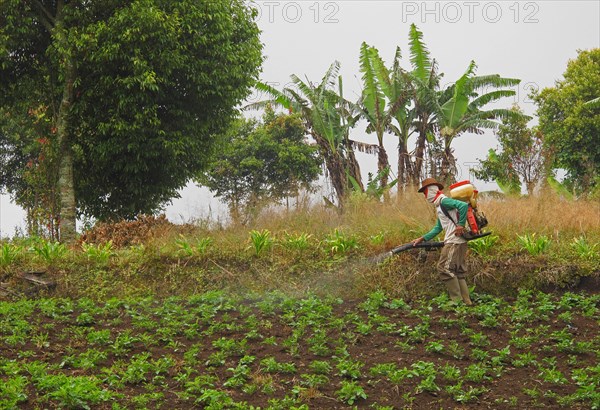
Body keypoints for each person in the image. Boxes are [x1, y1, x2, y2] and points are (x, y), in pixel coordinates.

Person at [411, 178, 473, 305]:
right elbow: (438, 227)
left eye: (425, 192)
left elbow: (463, 206)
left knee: (443, 268)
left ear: (431, 190)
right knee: (458, 272)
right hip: (459, 241)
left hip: (453, 241)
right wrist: (422, 238)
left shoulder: (444, 202)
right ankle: (467, 302)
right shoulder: (441, 205)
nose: (425, 196)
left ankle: (456, 301)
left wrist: (460, 225)